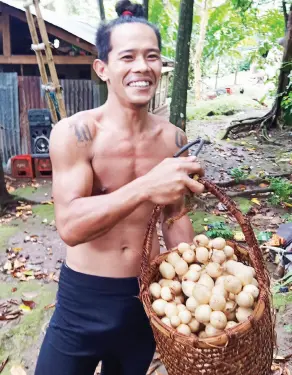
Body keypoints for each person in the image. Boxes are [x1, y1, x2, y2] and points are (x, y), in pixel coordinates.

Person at [35, 1, 204, 374]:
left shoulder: (174, 138)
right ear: (103, 69)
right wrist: (146, 186)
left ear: (161, 66)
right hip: (83, 298)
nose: (142, 67)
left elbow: (175, 218)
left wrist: (197, 281)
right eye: (127, 57)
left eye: (152, 56)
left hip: (147, 295)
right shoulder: (77, 134)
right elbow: (71, 227)